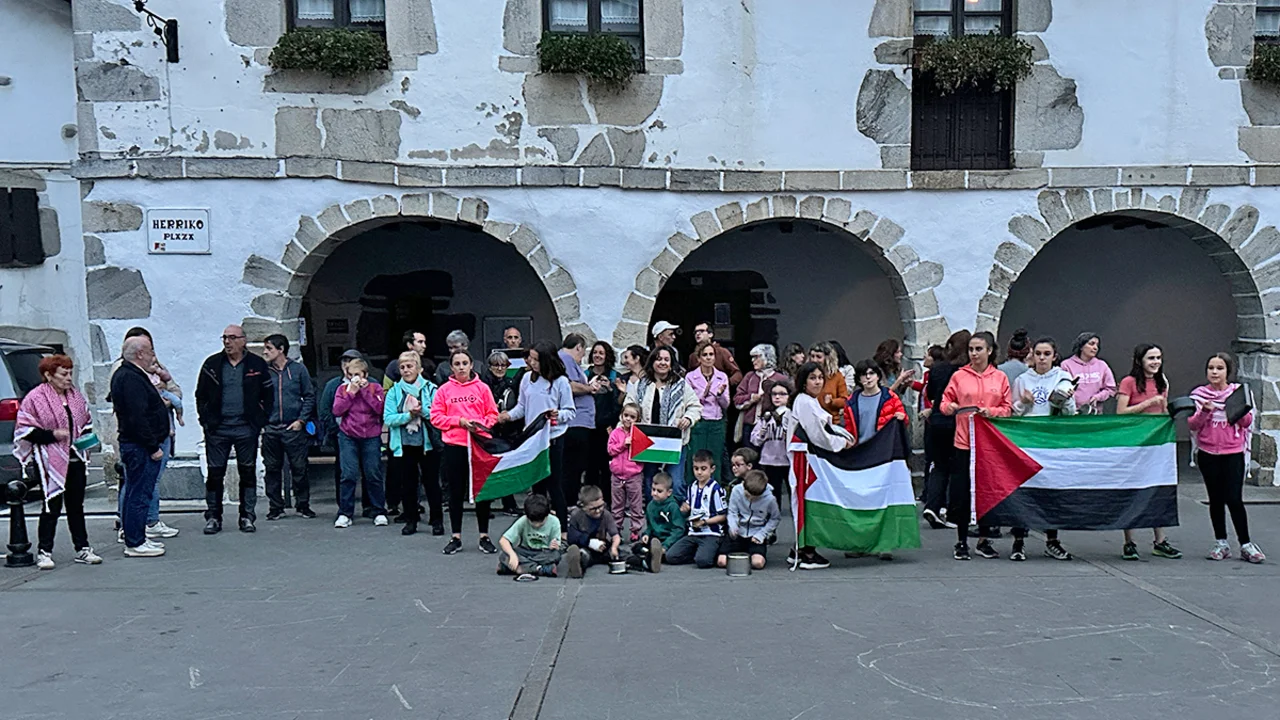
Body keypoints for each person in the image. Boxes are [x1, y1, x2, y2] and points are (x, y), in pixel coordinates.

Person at [15, 354, 102, 568]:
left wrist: (85, 438)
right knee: (51, 505)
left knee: (76, 505)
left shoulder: (75, 396)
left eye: (70, 373)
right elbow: (25, 430)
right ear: (49, 375)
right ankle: (44, 551)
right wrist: (53, 435)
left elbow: (86, 422)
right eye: (64, 374)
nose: (69, 378)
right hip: (49, 458)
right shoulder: (35, 398)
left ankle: (82, 548)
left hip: (75, 456)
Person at [195, 325, 274, 535]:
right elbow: (200, 395)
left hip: (246, 428)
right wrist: (206, 420)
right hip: (218, 429)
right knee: (215, 473)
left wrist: (260, 420)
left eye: (232, 338)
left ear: (243, 340)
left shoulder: (256, 364)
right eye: (224, 338)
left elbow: (268, 394)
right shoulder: (212, 364)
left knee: (247, 472)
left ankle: (247, 516)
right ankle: (213, 516)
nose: (227, 342)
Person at [941, 331, 1012, 561]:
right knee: (962, 492)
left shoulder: (999, 377)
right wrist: (950, 407)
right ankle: (961, 540)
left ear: (989, 351)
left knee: (987, 491)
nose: (974, 353)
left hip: (989, 444)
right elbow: (944, 401)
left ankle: (984, 539)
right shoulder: (959, 376)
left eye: (979, 349)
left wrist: (991, 412)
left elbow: (1007, 408)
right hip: (964, 441)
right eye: (971, 349)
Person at [109, 327, 182, 542]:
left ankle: (141, 531)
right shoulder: (128, 376)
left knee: (144, 488)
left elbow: (174, 390)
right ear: (139, 353)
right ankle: (134, 537)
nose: (153, 355)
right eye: (150, 350)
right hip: (140, 443)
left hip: (151, 438)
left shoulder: (140, 372)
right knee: (137, 490)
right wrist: (153, 446)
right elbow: (137, 416)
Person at [1190, 353, 1264, 563]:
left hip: (1233, 453)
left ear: (1227, 371)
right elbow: (1193, 424)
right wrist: (1205, 411)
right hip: (1208, 453)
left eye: (1219, 368)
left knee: (1233, 498)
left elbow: (1247, 422)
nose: (1214, 372)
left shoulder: (1238, 393)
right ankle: (1221, 542)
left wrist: (1236, 410)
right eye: (1211, 368)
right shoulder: (1200, 395)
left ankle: (1246, 544)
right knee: (1215, 499)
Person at [1008, 337, 1076, 562]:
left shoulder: (1062, 378)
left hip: (1051, 441)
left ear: (1054, 356)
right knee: (1023, 490)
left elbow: (1070, 414)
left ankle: (1052, 540)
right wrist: (1024, 403)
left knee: (1051, 491)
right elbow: (1013, 413)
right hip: (1028, 441)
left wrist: (1065, 401)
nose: (1042, 358)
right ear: (1032, 355)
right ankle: (1019, 540)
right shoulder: (1022, 379)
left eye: (1047, 354)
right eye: (1038, 354)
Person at [500, 341, 576, 532]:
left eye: (536, 359)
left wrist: (558, 414)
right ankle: (537, 526)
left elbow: (570, 411)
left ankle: (562, 529)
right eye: (530, 358)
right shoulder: (527, 378)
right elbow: (522, 407)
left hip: (553, 438)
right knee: (537, 485)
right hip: (532, 438)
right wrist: (507, 416)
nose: (531, 362)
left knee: (554, 484)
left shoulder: (560, 382)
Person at [431, 348, 501, 555]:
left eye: (464, 363)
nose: (461, 367)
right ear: (451, 367)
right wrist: (459, 422)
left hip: (479, 445)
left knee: (482, 491)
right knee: (455, 492)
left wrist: (481, 425)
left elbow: (492, 414)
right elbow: (436, 417)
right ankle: (456, 536)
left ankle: (484, 536)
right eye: (457, 364)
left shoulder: (482, 388)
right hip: (455, 445)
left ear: (471, 365)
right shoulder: (444, 390)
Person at [1116, 343, 1182, 561]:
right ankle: (1129, 542)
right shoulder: (1129, 382)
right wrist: (1148, 403)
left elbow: (1162, 412)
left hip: (1155, 444)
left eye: (1158, 358)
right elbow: (1121, 412)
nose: (1156, 362)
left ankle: (1160, 540)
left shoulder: (1163, 382)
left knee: (1157, 488)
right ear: (1140, 361)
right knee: (1131, 487)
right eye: (1151, 358)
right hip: (1134, 442)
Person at [787, 362, 855, 570]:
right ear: (803, 382)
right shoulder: (805, 402)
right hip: (806, 459)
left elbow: (825, 427)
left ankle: (800, 547)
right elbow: (818, 434)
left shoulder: (808, 401)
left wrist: (842, 434)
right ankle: (807, 550)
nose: (817, 382)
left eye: (820, 378)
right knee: (809, 501)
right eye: (812, 378)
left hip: (809, 457)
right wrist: (841, 442)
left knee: (808, 500)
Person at [625, 345, 701, 502]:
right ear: (652, 361)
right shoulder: (641, 384)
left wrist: (688, 418)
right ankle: (653, 516)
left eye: (667, 360)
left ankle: (676, 515)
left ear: (672, 363)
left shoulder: (681, 385)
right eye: (659, 359)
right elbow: (628, 406)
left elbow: (695, 406)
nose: (662, 363)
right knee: (650, 482)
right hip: (646, 441)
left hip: (674, 442)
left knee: (676, 482)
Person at [384, 351, 441, 536]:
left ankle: (437, 520)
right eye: (402, 367)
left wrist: (422, 411)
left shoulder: (431, 389)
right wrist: (408, 415)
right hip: (404, 445)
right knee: (408, 484)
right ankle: (411, 520)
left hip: (428, 444)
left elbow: (437, 415)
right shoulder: (394, 391)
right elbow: (388, 418)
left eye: (410, 366)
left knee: (432, 483)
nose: (406, 370)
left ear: (419, 368)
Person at [261, 334, 316, 521]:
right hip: (271, 428)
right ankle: (276, 507)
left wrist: (301, 420)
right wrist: (263, 422)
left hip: (293, 427)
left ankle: (303, 505)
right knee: (272, 469)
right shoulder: (264, 371)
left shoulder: (298, 369)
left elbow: (309, 396)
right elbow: (256, 397)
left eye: (269, 348)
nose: (265, 352)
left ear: (281, 349)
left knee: (300, 468)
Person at [922, 331, 970, 530]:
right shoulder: (967, 371)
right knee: (958, 469)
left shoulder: (938, 369)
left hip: (937, 421)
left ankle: (932, 506)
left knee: (939, 466)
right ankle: (952, 512)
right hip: (958, 422)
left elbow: (931, 393)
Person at [332, 358, 387, 529]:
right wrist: (351, 393)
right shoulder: (342, 389)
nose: (354, 378)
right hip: (349, 436)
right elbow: (337, 410)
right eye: (351, 375)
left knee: (373, 473)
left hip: (371, 435)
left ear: (365, 375)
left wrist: (365, 392)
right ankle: (345, 513)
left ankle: (378, 510)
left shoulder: (375, 388)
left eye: (357, 375)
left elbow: (379, 409)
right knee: (348, 474)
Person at [321, 350, 375, 516]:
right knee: (345, 472)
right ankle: (344, 507)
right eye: (344, 361)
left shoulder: (372, 383)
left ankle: (370, 505)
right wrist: (336, 430)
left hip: (368, 433)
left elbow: (378, 408)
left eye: (351, 361)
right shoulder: (333, 385)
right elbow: (325, 410)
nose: (346, 365)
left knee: (370, 470)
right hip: (342, 434)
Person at [664, 450, 727, 569]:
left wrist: (705, 522)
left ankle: (711, 552)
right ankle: (698, 553)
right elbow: (688, 504)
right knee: (671, 556)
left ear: (712, 469)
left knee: (703, 561)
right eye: (696, 468)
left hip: (711, 533)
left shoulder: (716, 489)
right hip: (693, 532)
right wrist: (685, 507)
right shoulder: (692, 487)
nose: (699, 472)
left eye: (703, 469)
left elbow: (723, 516)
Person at [558, 334, 598, 505]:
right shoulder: (566, 359)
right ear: (578, 347)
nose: (582, 356)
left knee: (573, 465)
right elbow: (570, 386)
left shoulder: (564, 359)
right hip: (576, 422)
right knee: (573, 466)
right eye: (583, 352)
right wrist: (590, 388)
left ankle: (569, 500)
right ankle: (569, 501)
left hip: (579, 421)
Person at [482, 349, 523, 516]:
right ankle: (485, 505)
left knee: (506, 467)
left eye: (503, 365)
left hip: (506, 431)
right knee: (487, 469)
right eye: (496, 365)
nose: (500, 368)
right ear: (489, 366)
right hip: (488, 431)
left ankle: (509, 503)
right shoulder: (483, 384)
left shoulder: (511, 382)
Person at [716, 469, 780, 570]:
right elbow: (732, 512)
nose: (750, 499)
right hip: (739, 531)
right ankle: (743, 557)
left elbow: (775, 518)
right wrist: (733, 526)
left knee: (758, 563)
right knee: (721, 561)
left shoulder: (770, 499)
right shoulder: (737, 491)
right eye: (747, 495)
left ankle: (751, 555)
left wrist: (761, 534)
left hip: (756, 533)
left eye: (755, 498)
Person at [687, 339, 731, 485]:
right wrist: (703, 394)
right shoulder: (690, 377)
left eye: (711, 354)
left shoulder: (722, 376)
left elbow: (726, 404)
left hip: (716, 421)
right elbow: (688, 402)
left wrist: (719, 395)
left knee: (715, 458)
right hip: (699, 421)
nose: (708, 358)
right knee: (696, 456)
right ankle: (693, 490)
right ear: (699, 358)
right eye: (705, 355)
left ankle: (714, 490)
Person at [498, 494, 562, 581]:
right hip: (526, 550)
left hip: (543, 552)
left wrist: (554, 546)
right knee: (503, 554)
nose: (537, 525)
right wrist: (512, 555)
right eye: (533, 522)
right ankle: (538, 569)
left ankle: (519, 568)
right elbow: (503, 540)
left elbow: (557, 545)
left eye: (541, 522)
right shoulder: (523, 520)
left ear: (547, 515)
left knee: (556, 555)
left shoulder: (554, 521)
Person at [734, 344, 787, 449]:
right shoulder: (749, 377)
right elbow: (737, 399)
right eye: (752, 357)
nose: (753, 360)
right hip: (750, 426)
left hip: (772, 427)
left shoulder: (781, 378)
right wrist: (751, 398)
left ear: (767, 357)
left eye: (756, 357)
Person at [750, 379, 793, 509]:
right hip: (769, 460)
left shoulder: (792, 415)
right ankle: (774, 516)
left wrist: (787, 434)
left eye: (782, 394)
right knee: (773, 493)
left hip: (788, 460)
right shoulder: (767, 416)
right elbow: (754, 439)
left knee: (793, 490)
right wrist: (763, 434)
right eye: (774, 394)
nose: (777, 397)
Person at [564, 485, 623, 578]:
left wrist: (614, 547)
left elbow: (615, 535)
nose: (598, 510)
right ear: (583, 506)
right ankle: (577, 567)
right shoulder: (576, 515)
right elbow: (571, 538)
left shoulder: (606, 514)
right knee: (583, 555)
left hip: (603, 547)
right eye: (593, 509)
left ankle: (643, 561)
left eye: (601, 506)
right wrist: (589, 542)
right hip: (586, 547)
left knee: (621, 554)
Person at [607, 403, 646, 542]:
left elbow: (644, 454)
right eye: (626, 415)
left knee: (636, 505)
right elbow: (610, 450)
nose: (628, 419)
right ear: (621, 416)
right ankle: (616, 530)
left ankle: (635, 530)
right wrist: (623, 444)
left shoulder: (640, 434)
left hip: (634, 475)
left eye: (632, 417)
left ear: (638, 419)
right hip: (617, 475)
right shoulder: (615, 433)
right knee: (617, 505)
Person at [586, 341, 621, 492]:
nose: (597, 356)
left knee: (606, 465)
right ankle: (589, 496)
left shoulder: (614, 376)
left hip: (607, 427)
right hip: (588, 425)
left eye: (601, 353)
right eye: (595, 352)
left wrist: (611, 388)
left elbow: (619, 403)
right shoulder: (585, 375)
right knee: (589, 465)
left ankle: (607, 497)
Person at [1061, 332, 1116, 415]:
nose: (1095, 348)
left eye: (1097, 345)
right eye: (1091, 344)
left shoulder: (1102, 365)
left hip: (1095, 414)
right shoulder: (1066, 365)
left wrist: (1098, 397)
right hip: (1072, 413)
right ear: (1081, 346)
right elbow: (1062, 389)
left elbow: (1111, 389)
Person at [639, 472, 684, 571]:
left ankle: (653, 557)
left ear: (669, 492)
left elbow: (679, 529)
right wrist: (646, 534)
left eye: (659, 491)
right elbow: (650, 526)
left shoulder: (673, 506)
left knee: (670, 556)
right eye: (653, 489)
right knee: (637, 547)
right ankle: (652, 556)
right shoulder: (650, 505)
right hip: (656, 539)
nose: (654, 493)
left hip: (670, 539)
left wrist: (665, 545)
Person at [687, 322, 743, 387]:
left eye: (701, 331)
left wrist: (724, 384)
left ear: (710, 334)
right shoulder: (693, 356)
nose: (698, 333)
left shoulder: (722, 352)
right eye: (695, 332)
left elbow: (737, 374)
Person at [808, 342, 848, 423]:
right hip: (810, 421)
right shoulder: (805, 375)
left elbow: (845, 401)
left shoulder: (836, 376)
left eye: (818, 357)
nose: (814, 360)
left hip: (831, 422)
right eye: (812, 356)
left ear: (827, 358)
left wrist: (832, 402)